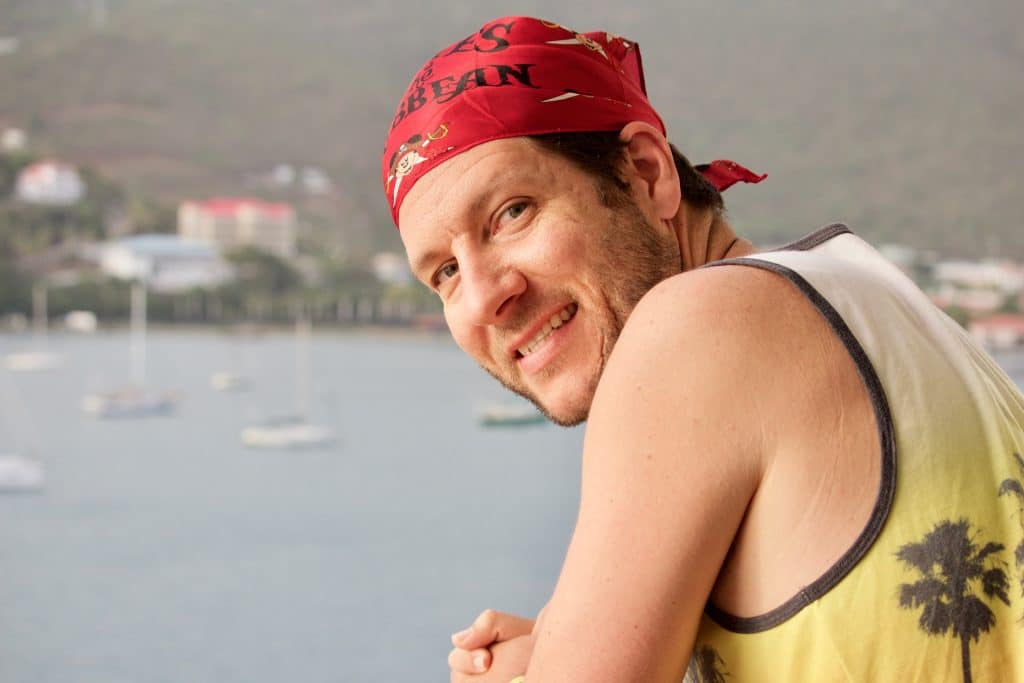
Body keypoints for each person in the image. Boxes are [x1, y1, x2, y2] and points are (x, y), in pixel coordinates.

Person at [382, 16, 1024, 682]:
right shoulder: (865, 292)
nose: (485, 296)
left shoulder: (695, 326)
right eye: (445, 272)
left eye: (512, 212)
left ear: (646, 171)